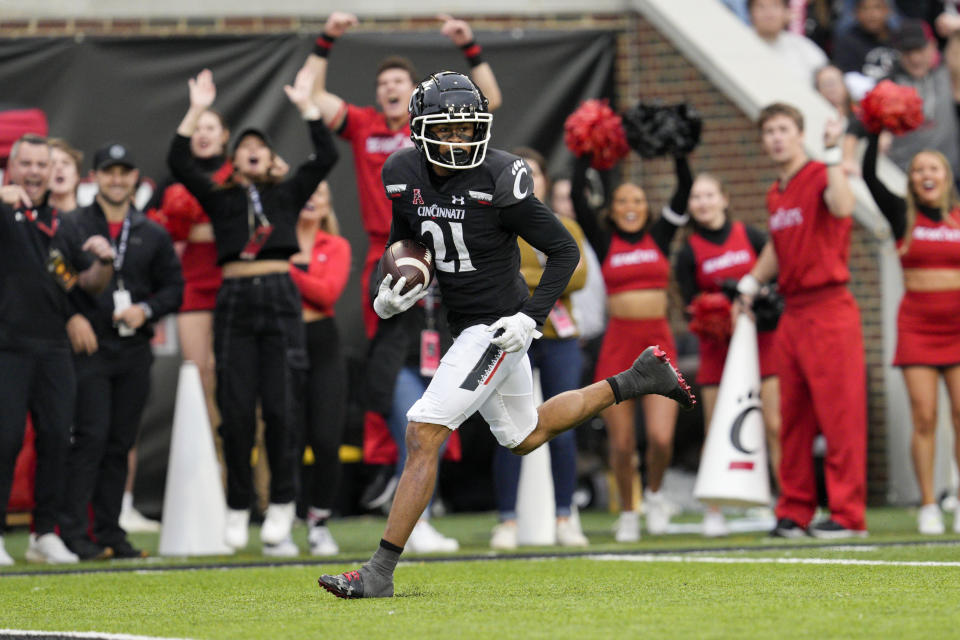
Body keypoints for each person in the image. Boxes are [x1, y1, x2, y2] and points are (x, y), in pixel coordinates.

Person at [317, 72, 694, 599]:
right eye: (446, 133)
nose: (458, 141)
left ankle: (380, 571)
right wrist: (391, 284)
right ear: (421, 131)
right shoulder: (401, 171)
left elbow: (565, 251)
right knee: (525, 436)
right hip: (465, 324)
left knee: (423, 431)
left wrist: (530, 317)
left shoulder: (500, 176)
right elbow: (404, 237)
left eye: (468, 129)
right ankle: (635, 379)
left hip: (497, 325)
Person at [168, 67, 338, 554]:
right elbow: (179, 160)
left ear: (269, 158)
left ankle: (283, 501)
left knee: (282, 408)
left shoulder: (287, 193)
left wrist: (307, 106)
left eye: (260, 145)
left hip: (281, 300)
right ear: (235, 158)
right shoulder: (220, 198)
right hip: (236, 303)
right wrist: (198, 107)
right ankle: (239, 504)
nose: (253, 150)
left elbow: (326, 155)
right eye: (244, 145)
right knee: (237, 412)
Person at [739, 102, 867, 538]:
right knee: (792, 417)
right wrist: (750, 284)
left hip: (830, 308)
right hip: (794, 312)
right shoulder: (778, 190)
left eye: (783, 129)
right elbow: (778, 244)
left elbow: (843, 204)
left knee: (840, 415)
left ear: (799, 134)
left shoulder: (820, 173)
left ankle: (848, 515)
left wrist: (834, 153)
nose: (776, 137)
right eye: (769, 131)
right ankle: (794, 510)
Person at [58, 143, 184, 560]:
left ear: (135, 179)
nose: (116, 179)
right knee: (90, 438)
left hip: (133, 350)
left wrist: (145, 309)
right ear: (94, 177)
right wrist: (72, 317)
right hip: (88, 347)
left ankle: (111, 533)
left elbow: (174, 289)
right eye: (108, 172)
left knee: (120, 442)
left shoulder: (151, 230)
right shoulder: (72, 225)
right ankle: (75, 534)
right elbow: (55, 278)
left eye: (124, 172)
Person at [0, 134, 115, 565]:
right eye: (25, 163)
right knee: (5, 439)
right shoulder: (3, 207)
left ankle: (43, 533)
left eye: (40, 165)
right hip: (6, 345)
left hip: (52, 349)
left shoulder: (62, 224)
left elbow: (80, 285)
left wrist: (103, 262)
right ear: (11, 167)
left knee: (55, 439)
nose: (32, 172)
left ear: (52, 172)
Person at [571, 149, 692, 541]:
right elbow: (576, 197)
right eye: (622, 200)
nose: (630, 206)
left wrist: (680, 154)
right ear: (612, 208)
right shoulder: (604, 240)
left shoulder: (660, 234)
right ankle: (628, 511)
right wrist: (587, 153)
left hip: (657, 344)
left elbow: (684, 190)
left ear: (646, 208)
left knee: (660, 438)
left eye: (637, 200)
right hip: (619, 346)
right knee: (621, 444)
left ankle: (654, 496)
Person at [490, 147, 590, 550]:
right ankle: (507, 522)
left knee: (564, 428)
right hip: (514, 337)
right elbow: (503, 277)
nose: (529, 177)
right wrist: (549, 272)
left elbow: (579, 276)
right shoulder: (498, 225)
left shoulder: (566, 224)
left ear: (545, 180)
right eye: (522, 171)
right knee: (509, 429)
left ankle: (565, 516)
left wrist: (528, 277)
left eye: (535, 171)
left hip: (559, 338)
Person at [861, 134, 960, 534]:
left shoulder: (957, 216)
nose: (925, 174)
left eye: (932, 168)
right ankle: (927, 503)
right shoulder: (902, 215)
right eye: (918, 169)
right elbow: (868, 176)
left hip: (958, 328)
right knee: (925, 416)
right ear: (912, 179)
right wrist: (872, 133)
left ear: (946, 176)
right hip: (918, 328)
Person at [674, 173, 780, 537]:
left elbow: (775, 279)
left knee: (775, 426)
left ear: (724, 197)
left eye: (708, 194)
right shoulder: (688, 253)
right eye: (696, 197)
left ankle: (783, 505)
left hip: (762, 344)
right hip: (718, 351)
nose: (702, 202)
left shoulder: (751, 236)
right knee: (716, 427)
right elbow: (690, 306)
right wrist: (716, 313)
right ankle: (714, 511)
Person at [288, 181, 351, 555]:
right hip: (285, 339)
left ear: (328, 205)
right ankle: (283, 519)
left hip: (323, 342)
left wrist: (287, 268)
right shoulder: (276, 239)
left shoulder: (336, 245)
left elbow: (326, 294)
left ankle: (319, 521)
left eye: (320, 193)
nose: (311, 197)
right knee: (287, 437)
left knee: (326, 438)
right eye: (305, 191)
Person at [749, 0, 829, 83]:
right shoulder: (741, 45)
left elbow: (824, 71)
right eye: (761, 7)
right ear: (750, 13)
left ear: (786, 12)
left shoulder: (803, 47)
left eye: (775, 6)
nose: (769, 13)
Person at [832, 0, 899, 97]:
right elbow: (848, 80)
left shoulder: (899, 38)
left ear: (888, 11)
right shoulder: (847, 42)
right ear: (855, 13)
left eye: (877, 7)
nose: (871, 14)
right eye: (865, 8)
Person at [48, 138, 83, 213]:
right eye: (52, 163)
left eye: (66, 163)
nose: (59, 167)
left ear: (77, 175)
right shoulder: (30, 219)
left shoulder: (92, 220)